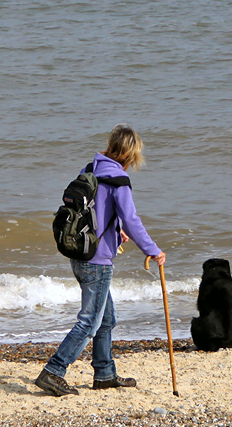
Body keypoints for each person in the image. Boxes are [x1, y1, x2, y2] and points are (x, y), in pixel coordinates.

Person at [35, 125, 166, 397]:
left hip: (80, 254)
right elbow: (132, 219)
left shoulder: (92, 168)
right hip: (97, 261)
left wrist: (115, 232)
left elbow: (94, 212)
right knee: (90, 321)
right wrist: (152, 250)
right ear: (130, 153)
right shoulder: (119, 180)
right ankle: (53, 371)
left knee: (106, 318)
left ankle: (104, 374)